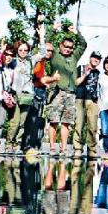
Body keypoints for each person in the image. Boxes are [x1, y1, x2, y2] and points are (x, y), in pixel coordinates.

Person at [45, 26, 87, 156]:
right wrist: (53, 30)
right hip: (57, 92)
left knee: (66, 122)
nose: (68, 49)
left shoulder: (74, 57)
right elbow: (46, 43)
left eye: (70, 47)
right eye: (65, 46)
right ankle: (52, 147)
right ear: (60, 45)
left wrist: (76, 33)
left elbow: (84, 45)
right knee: (53, 121)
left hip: (70, 93)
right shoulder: (55, 54)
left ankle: (63, 148)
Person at [4, 41, 34, 153]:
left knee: (22, 123)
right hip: (15, 94)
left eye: (25, 50)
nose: (23, 52)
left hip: (27, 95)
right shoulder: (14, 61)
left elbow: (42, 53)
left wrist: (41, 36)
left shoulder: (31, 61)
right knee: (14, 122)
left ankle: (17, 144)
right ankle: (8, 143)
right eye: (20, 50)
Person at [73, 51, 103, 159]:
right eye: (94, 57)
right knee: (79, 124)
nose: (96, 60)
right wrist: (85, 75)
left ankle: (91, 150)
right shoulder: (80, 68)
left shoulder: (99, 73)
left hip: (93, 101)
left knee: (92, 126)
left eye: (98, 59)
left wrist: (99, 102)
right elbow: (75, 82)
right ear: (90, 58)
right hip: (80, 99)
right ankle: (77, 149)